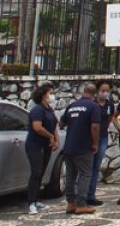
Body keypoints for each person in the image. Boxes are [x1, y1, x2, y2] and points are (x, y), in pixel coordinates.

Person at [59, 82, 102, 215]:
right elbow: (95, 126)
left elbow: (61, 123)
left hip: (69, 146)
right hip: (84, 146)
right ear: (95, 94)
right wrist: (95, 144)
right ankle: (81, 204)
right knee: (85, 174)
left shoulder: (72, 106)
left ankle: (70, 203)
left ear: (83, 92)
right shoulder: (94, 106)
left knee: (71, 176)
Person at [25, 82, 59, 215]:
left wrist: (55, 139)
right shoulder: (37, 110)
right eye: (50, 93)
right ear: (44, 95)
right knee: (36, 172)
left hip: (46, 146)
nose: (52, 95)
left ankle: (36, 199)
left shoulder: (49, 109)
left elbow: (54, 124)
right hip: (35, 145)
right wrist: (50, 136)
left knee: (42, 172)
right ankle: (31, 202)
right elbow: (37, 127)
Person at [85, 80, 116, 207]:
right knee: (86, 167)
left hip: (102, 137)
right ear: (97, 91)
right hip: (89, 138)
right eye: (103, 90)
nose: (105, 93)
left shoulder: (109, 105)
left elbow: (109, 120)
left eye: (107, 91)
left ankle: (91, 195)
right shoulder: (91, 104)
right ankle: (83, 193)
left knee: (96, 167)